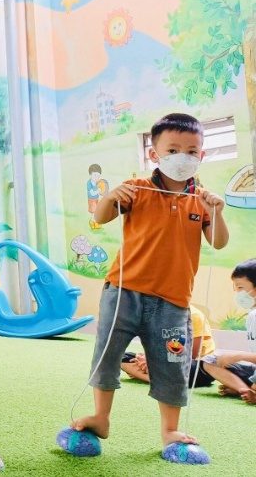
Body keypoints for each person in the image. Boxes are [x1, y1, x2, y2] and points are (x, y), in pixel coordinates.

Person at [72, 113, 229, 458]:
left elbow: (218, 242)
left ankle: (170, 429)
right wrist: (111, 196)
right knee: (107, 354)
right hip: (123, 292)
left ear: (201, 155)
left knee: (172, 365)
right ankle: (101, 417)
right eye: (172, 149)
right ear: (154, 154)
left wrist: (217, 212)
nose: (182, 156)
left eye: (191, 150)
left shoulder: (201, 200)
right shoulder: (137, 188)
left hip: (173, 302)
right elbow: (100, 217)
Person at [200, 258, 256, 404]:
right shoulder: (252, 315)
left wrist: (237, 356)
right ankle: (245, 390)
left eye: (240, 287)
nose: (237, 293)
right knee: (211, 361)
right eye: (235, 288)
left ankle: (252, 392)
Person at [120, 306, 215, 389]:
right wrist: (146, 359)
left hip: (196, 367)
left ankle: (157, 379)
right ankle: (162, 379)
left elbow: (193, 354)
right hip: (166, 363)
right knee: (124, 357)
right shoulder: (160, 315)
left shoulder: (195, 315)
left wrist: (152, 362)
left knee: (175, 366)